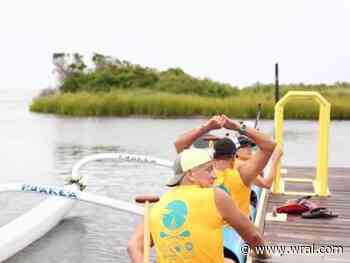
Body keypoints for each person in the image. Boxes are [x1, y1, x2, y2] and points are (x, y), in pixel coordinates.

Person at [128, 148, 269, 263]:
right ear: (190, 174)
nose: (214, 175)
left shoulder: (157, 206)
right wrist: (263, 256)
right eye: (208, 170)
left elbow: (133, 246)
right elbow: (254, 237)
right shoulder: (216, 196)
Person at [174, 114, 276, 217]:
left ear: (214, 155)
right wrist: (237, 126)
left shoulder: (200, 172)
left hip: (208, 226)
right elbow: (269, 145)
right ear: (233, 157)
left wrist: (207, 127)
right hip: (237, 229)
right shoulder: (242, 170)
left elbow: (179, 144)